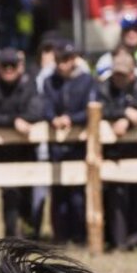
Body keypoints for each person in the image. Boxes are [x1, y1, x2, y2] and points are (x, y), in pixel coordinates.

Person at [0, 48, 47, 239]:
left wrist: (15, 120)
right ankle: (11, 237)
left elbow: (38, 111)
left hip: (26, 149)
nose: (9, 69)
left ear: (20, 66)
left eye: (13, 65)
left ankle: (31, 235)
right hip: (1, 151)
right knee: (9, 194)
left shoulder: (29, 83)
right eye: (4, 65)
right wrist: (14, 121)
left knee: (29, 193)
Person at [98, 48, 137, 250]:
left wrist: (128, 122)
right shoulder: (104, 87)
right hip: (114, 152)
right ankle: (119, 241)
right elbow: (100, 108)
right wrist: (124, 113)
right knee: (116, 196)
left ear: (132, 73)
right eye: (116, 73)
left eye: (123, 74)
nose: (118, 78)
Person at [42, 41, 96, 244]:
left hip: (78, 144)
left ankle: (80, 235)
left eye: (65, 59)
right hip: (56, 143)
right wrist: (52, 118)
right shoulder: (49, 81)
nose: (61, 65)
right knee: (58, 193)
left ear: (73, 60)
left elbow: (91, 109)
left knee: (77, 194)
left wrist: (71, 118)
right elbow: (45, 104)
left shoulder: (86, 80)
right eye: (58, 60)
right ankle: (60, 236)